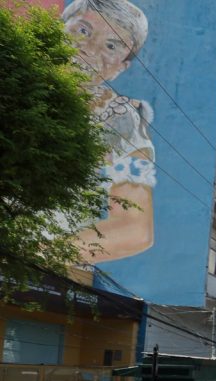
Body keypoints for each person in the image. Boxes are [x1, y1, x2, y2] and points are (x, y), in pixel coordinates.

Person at [62, 0, 155, 263]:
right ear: (61, 27)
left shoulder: (119, 118)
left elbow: (135, 229)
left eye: (111, 46)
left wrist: (36, 254)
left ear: (120, 68)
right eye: (83, 31)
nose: (89, 50)